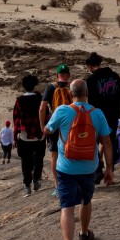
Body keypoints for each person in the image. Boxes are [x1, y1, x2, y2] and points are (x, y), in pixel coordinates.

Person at [45, 78, 112, 240]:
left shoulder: (62, 110)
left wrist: (47, 126)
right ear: (87, 93)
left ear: (70, 94)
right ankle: (84, 234)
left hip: (66, 168)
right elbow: (106, 142)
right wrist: (110, 169)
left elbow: (48, 130)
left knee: (67, 207)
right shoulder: (98, 113)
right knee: (86, 200)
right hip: (89, 167)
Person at [83, 52, 120, 182]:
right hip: (114, 115)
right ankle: (110, 173)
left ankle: (98, 171)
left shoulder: (91, 80)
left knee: (93, 143)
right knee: (109, 142)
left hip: (97, 116)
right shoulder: (114, 76)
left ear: (89, 66)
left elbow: (90, 101)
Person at [40, 63, 74, 197]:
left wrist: (43, 126)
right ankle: (72, 183)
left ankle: (58, 185)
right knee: (70, 153)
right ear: (69, 75)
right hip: (71, 125)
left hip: (55, 125)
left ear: (57, 75)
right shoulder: (73, 87)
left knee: (54, 155)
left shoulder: (51, 87)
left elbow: (42, 108)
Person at [13, 74, 46, 196]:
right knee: (39, 158)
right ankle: (36, 179)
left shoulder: (19, 100)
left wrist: (15, 136)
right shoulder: (41, 99)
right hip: (39, 135)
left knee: (25, 161)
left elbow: (16, 119)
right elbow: (46, 116)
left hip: (24, 135)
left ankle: (27, 185)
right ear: (35, 85)